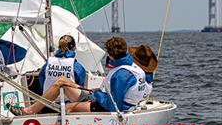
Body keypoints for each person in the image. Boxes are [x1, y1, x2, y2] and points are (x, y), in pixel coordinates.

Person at [11, 36, 147, 115]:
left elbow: (113, 106)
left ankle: (31, 112)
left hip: (105, 106)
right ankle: (31, 110)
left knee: (68, 105)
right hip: (116, 103)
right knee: (63, 81)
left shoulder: (121, 75)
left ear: (111, 55)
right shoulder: (135, 67)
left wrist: (97, 94)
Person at [37, 35, 87, 105]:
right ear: (74, 47)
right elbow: (80, 86)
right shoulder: (76, 66)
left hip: (48, 103)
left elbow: (41, 79)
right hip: (69, 104)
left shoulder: (49, 62)